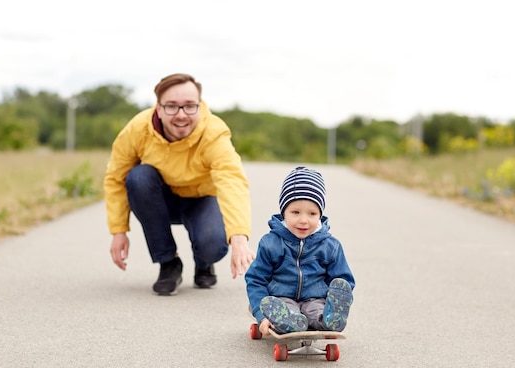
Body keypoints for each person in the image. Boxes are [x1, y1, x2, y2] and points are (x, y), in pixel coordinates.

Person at [104, 73, 255, 295]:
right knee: (138, 177)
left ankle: (204, 263)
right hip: (162, 199)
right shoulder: (138, 129)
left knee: (212, 244)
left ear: (200, 106)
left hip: (202, 199)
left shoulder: (213, 132)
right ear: (158, 108)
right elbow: (115, 177)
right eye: (172, 107)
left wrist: (239, 238)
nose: (181, 115)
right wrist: (118, 231)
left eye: (189, 106)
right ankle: (169, 263)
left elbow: (232, 180)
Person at [245, 166, 355, 336]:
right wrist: (261, 314)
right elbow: (256, 280)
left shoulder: (330, 246)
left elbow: (343, 280)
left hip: (315, 299)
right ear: (284, 213)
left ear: (320, 215)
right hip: (280, 299)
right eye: (295, 212)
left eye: (312, 213)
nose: (303, 220)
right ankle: (288, 320)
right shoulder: (270, 243)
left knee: (316, 312)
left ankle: (330, 319)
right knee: (283, 310)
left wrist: (336, 295)